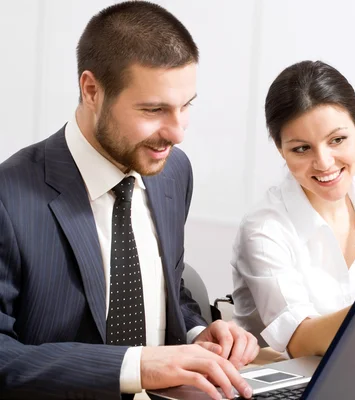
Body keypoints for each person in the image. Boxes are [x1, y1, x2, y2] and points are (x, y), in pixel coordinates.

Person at [0, 2, 258, 399]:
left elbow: (169, 286)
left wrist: (197, 332)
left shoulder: (173, 171)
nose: (177, 133)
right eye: (154, 110)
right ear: (92, 90)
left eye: (186, 106)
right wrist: (136, 366)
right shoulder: (8, 198)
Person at [231, 60, 355, 359]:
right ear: (279, 147)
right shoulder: (264, 228)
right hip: (291, 382)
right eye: (301, 148)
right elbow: (299, 340)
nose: (324, 163)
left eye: (337, 140)